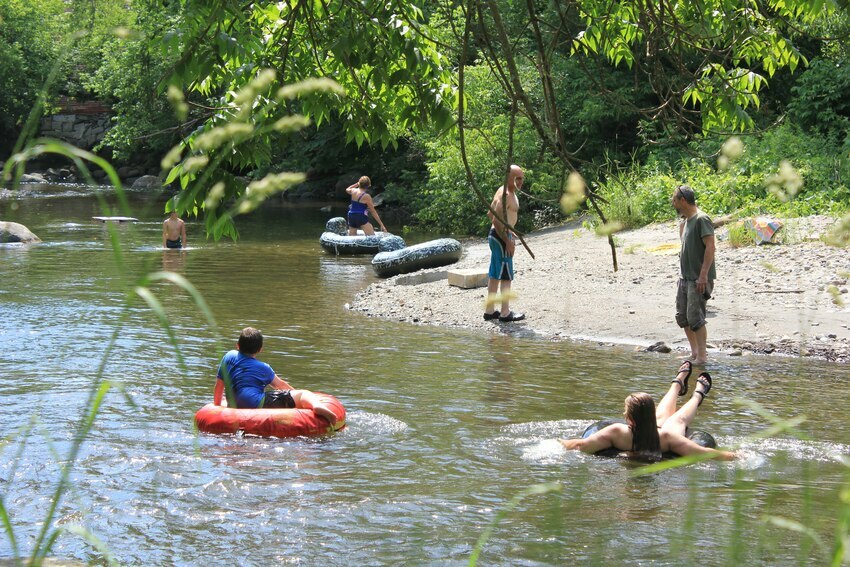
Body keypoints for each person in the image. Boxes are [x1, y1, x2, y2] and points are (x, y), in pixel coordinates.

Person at [559, 362, 736, 460]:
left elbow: (581, 445)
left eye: (625, 412)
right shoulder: (664, 437)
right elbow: (704, 454)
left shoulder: (618, 432)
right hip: (656, 434)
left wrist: (558, 443)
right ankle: (678, 384)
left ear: (630, 419)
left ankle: (698, 394)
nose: (623, 415)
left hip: (658, 434)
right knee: (666, 419)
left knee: (677, 420)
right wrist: (735, 456)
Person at [215, 327, 338, 425]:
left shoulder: (228, 356)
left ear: (237, 345)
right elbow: (280, 386)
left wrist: (217, 406)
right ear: (260, 349)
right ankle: (317, 406)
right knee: (303, 394)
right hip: (255, 403)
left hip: (234, 404)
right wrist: (296, 395)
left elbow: (219, 385)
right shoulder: (263, 367)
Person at [671, 184, 716, 364]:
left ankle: (702, 357)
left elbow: (710, 247)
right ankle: (695, 353)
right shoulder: (685, 222)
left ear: (682, 200)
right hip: (685, 278)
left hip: (698, 278)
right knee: (682, 317)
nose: (673, 204)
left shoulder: (702, 219)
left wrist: (703, 275)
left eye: (674, 200)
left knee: (695, 317)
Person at [484, 164, 525, 323]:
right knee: (506, 275)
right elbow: (495, 219)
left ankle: (489, 311)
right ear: (509, 178)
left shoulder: (503, 190)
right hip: (500, 237)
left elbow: (490, 213)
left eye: (522, 178)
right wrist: (507, 240)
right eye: (517, 178)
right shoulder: (506, 194)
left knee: (495, 274)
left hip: (497, 235)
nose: (520, 181)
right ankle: (505, 313)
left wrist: (510, 230)